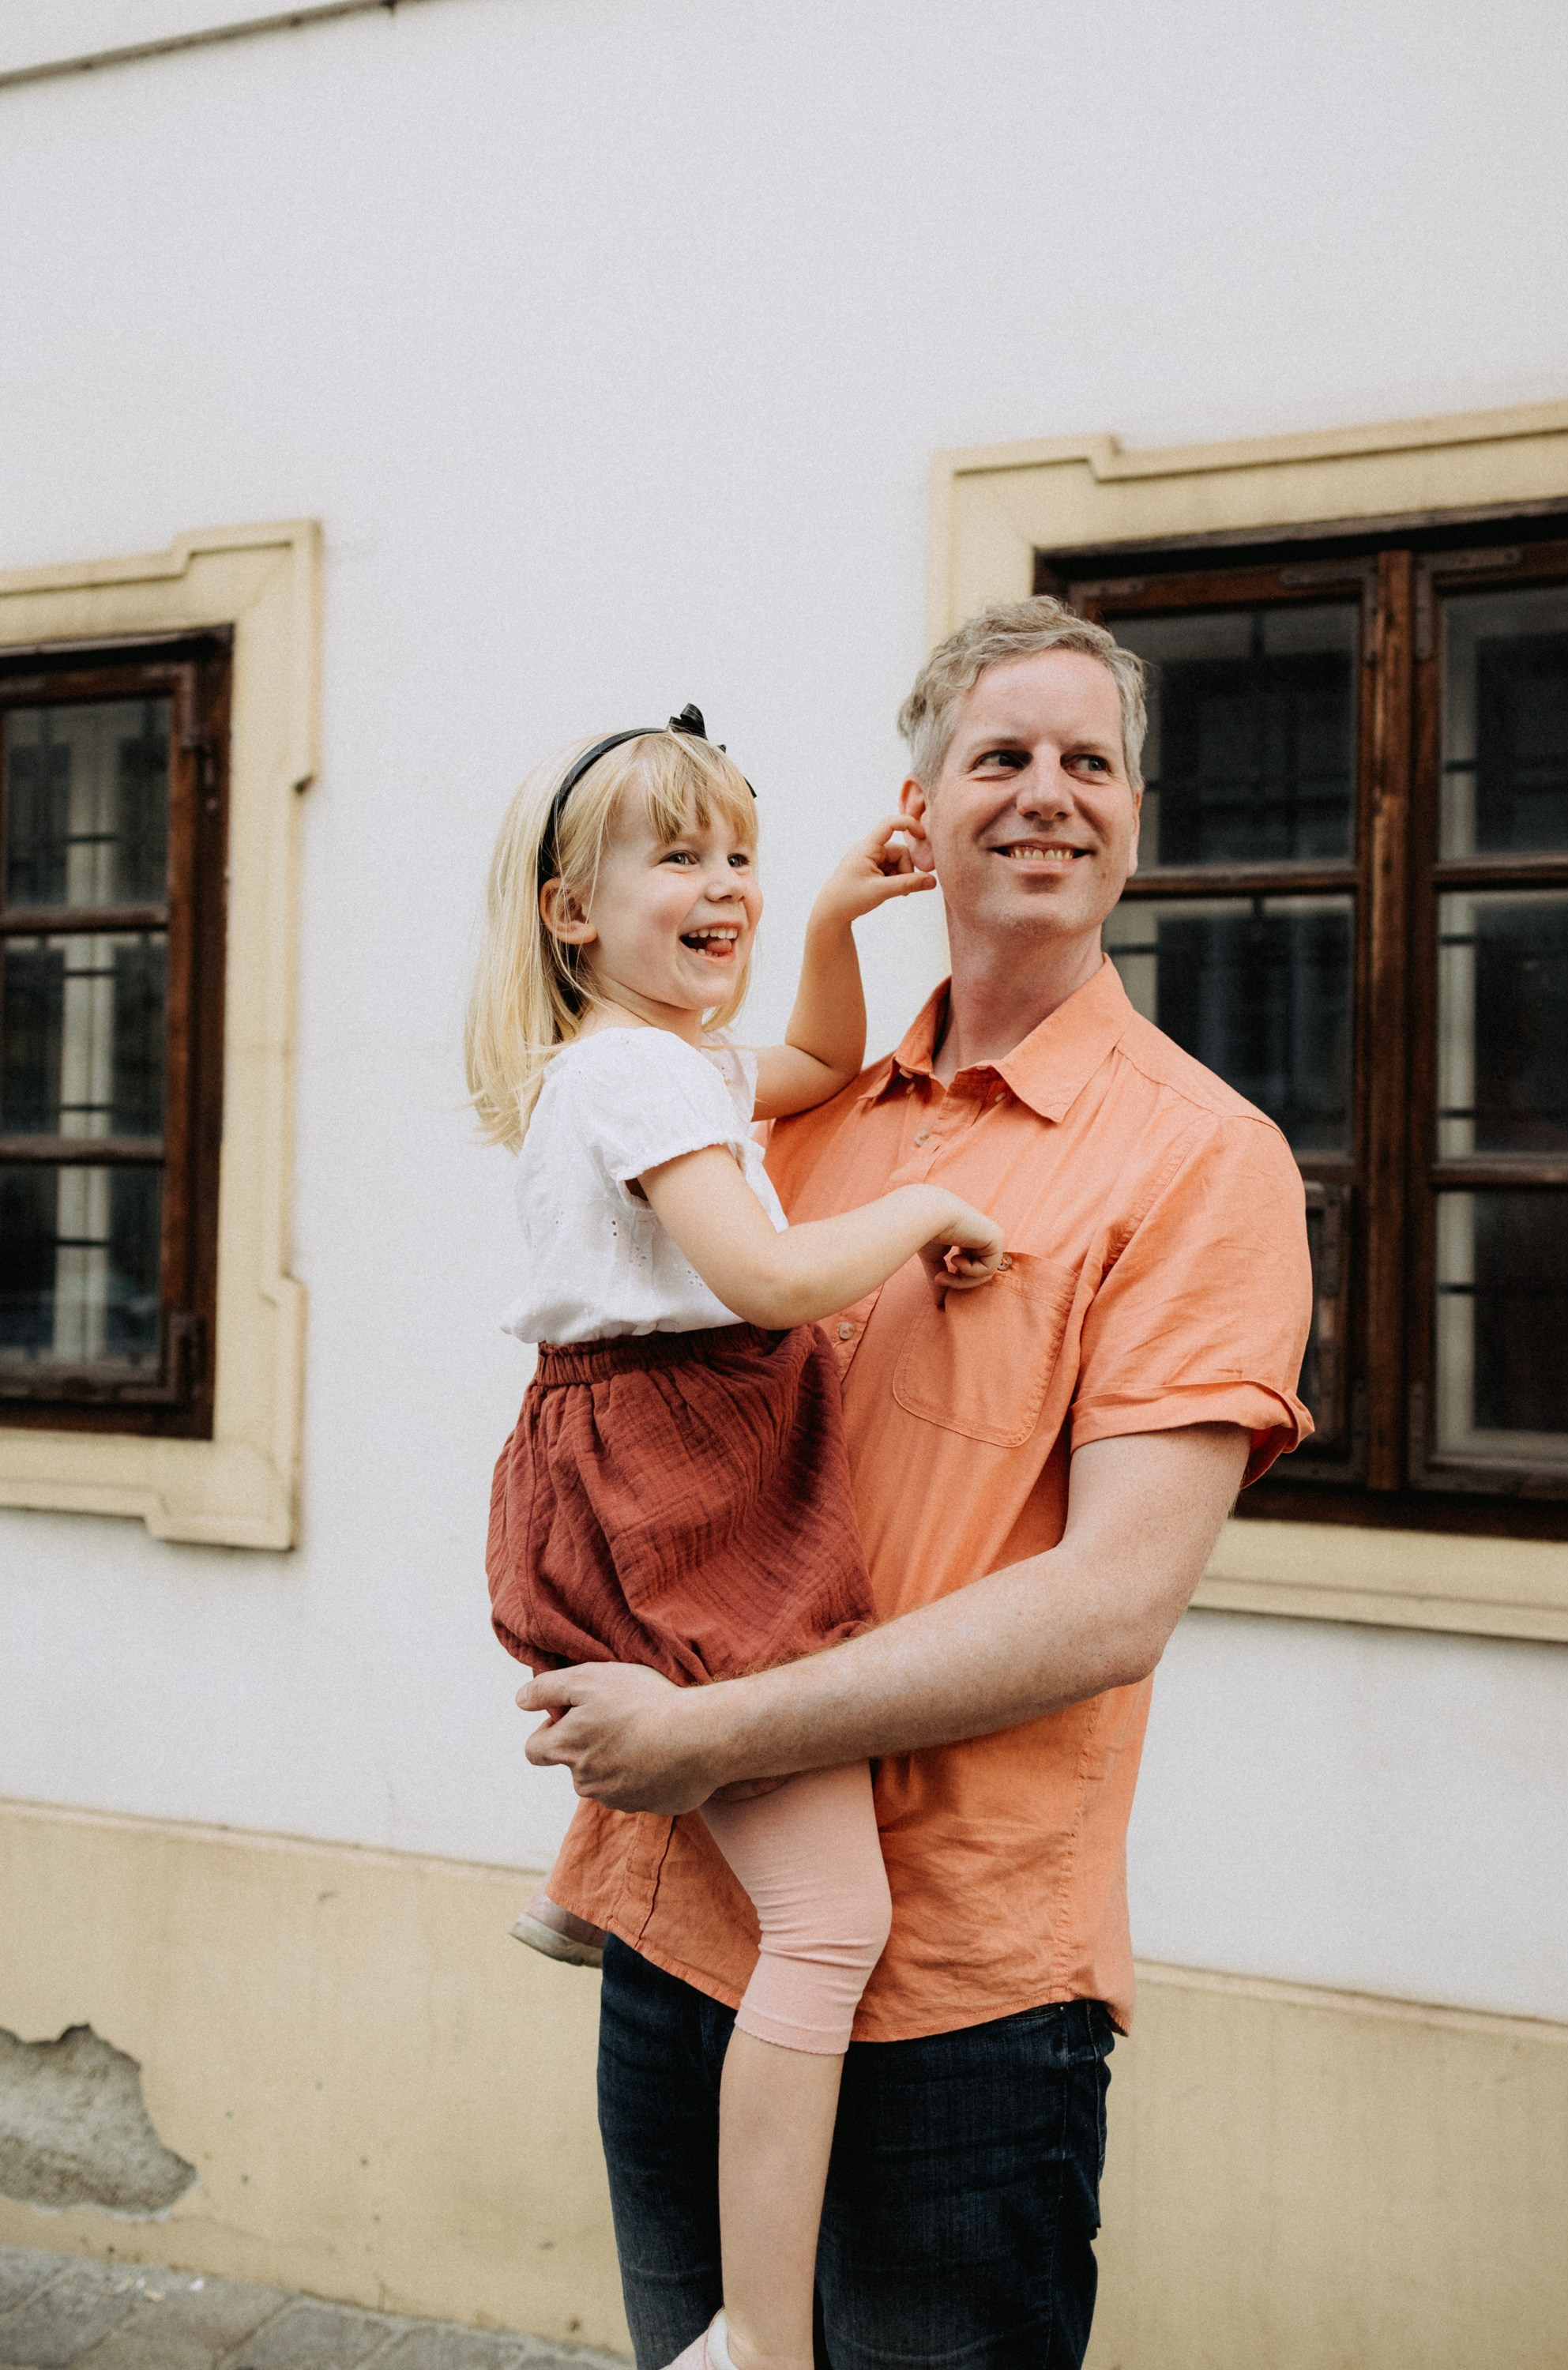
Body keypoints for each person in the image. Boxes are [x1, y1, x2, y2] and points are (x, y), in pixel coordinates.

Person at [518, 600, 1315, 2370]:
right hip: (678, 1940)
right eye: (1000, 756)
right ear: (921, 809)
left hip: (958, 2001)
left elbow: (1111, 1603)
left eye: (1090, 761)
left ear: (1133, 816)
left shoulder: (1205, 1162)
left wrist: (710, 1730)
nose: (1047, 793)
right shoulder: (790, 1116)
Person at [467, 706, 1006, 2370]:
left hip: (656, 1464)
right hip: (682, 1473)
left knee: (695, 1733)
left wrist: (833, 916)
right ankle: (760, 2340)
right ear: (571, 911)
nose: (725, 887)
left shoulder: (656, 1061)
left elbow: (820, 1067)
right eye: (679, 858)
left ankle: (595, 1875)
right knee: (830, 1925)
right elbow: (766, 1282)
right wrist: (923, 1208)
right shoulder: (633, 1071)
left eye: (741, 858)